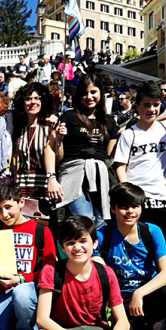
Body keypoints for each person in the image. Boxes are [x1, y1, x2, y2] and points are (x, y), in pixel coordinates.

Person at [31, 215, 166, 330]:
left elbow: (123, 323)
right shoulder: (51, 271)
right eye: (70, 243)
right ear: (62, 247)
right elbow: (42, 319)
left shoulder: (106, 273)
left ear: (94, 243)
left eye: (83, 241)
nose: (77, 248)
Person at [95, 183, 166, 330]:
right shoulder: (102, 234)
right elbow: (96, 269)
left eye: (135, 206)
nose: (130, 212)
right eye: (124, 207)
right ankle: (131, 325)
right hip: (116, 296)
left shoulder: (152, 231)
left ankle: (146, 325)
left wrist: (139, 294)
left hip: (146, 292)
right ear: (113, 208)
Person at [0, 181, 56, 330]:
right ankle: (15, 325)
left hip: (29, 291)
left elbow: (49, 270)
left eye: (8, 207)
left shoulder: (40, 231)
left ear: (21, 202)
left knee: (21, 293)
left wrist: (22, 279)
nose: (4, 214)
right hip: (4, 292)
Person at [114, 81, 166, 249]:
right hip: (138, 200)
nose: (151, 109)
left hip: (162, 198)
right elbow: (120, 166)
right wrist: (128, 195)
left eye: (156, 105)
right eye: (146, 105)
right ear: (137, 107)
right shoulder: (129, 135)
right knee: (139, 245)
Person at [47, 74, 119, 229]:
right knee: (85, 220)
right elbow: (58, 156)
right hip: (73, 172)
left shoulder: (109, 121)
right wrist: (59, 139)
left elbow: (110, 154)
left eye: (93, 92)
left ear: (100, 92)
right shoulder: (69, 116)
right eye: (85, 93)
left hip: (100, 174)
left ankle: (95, 253)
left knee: (101, 222)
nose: (89, 97)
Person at [10, 83, 57, 215]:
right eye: (28, 98)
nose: (33, 102)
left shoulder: (49, 126)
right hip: (22, 183)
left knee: (42, 223)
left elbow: (58, 156)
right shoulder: (18, 127)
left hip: (43, 183)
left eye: (37, 98)